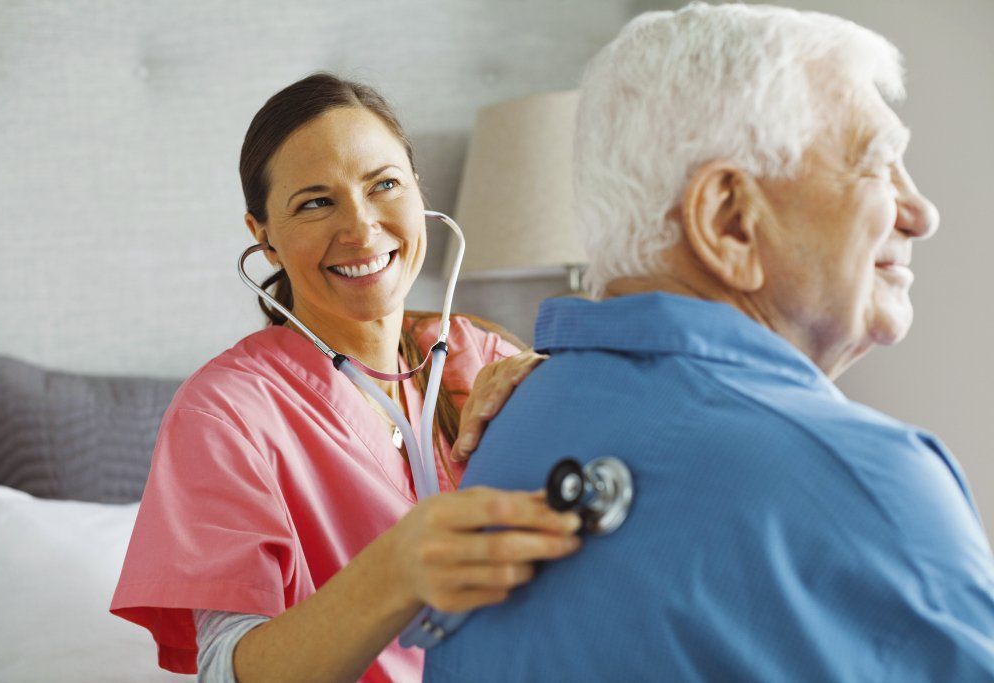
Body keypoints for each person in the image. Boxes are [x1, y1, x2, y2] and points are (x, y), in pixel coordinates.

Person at [424, 4, 994, 681]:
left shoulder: (514, 420)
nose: (920, 211)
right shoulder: (865, 481)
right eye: (877, 164)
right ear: (729, 220)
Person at [110, 73, 584, 683]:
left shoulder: (482, 354)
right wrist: (395, 570)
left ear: (420, 193)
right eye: (315, 202)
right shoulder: (226, 413)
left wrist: (573, 392)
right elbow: (229, 671)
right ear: (265, 239)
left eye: (384, 185)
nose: (360, 230)